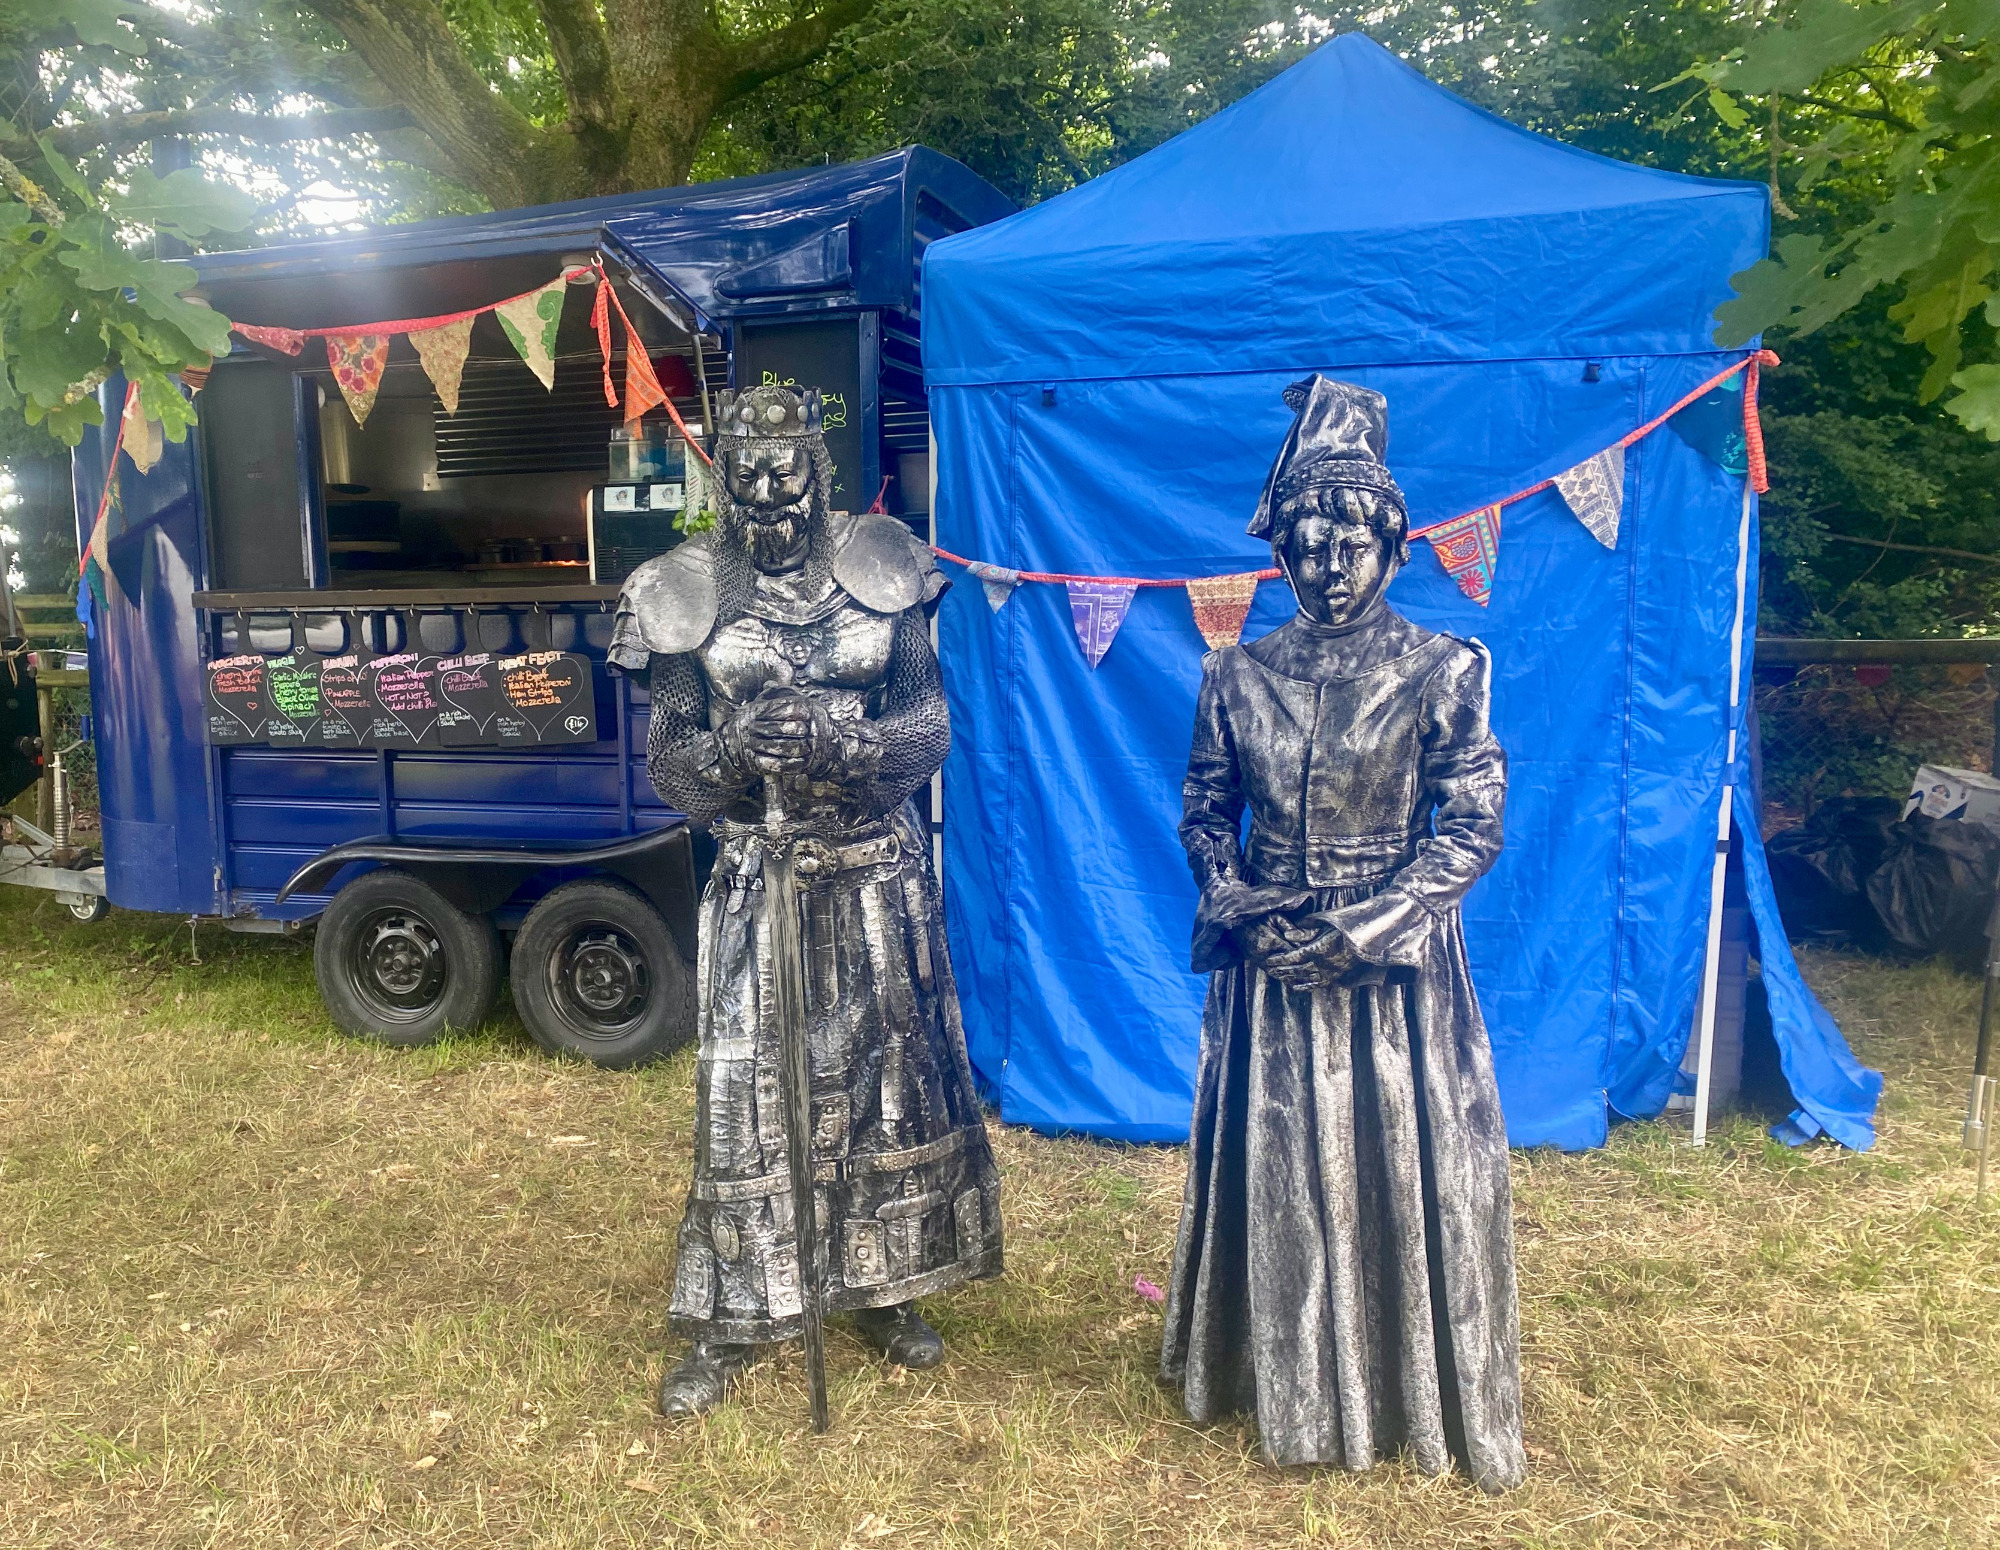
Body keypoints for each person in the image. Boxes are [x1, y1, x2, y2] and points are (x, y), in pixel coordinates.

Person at [1159, 374, 1524, 1491]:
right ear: (1281, 555)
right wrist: (1233, 898)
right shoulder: (1236, 674)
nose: (1327, 567)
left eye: (1350, 545)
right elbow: (1203, 810)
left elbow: (1472, 824)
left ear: (1394, 548)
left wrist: (1370, 927)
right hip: (1270, 961)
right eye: (1306, 547)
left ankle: (1404, 1381)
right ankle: (1269, 1371)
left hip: (1392, 968)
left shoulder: (1442, 670)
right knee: (1274, 1166)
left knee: (1404, 1164)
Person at [609, 383, 1001, 1417]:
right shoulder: (681, 589)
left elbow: (929, 725)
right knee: (749, 1095)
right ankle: (737, 1312)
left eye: (785, 475)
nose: (768, 495)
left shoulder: (883, 565)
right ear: (723, 481)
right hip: (761, 872)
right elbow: (671, 766)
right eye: (746, 478)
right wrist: (733, 749)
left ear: (817, 472)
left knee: (882, 1081)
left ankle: (881, 1285)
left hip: (873, 873)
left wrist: (851, 742)